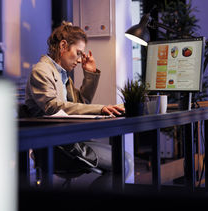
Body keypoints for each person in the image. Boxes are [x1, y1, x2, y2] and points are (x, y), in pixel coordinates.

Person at [24, 22, 130, 186]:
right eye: (78, 53)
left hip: (70, 141)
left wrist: (90, 74)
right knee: (123, 163)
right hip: (57, 147)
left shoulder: (63, 75)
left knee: (126, 159)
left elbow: (80, 104)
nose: (80, 60)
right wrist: (101, 109)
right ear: (63, 45)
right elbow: (54, 107)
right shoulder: (41, 70)